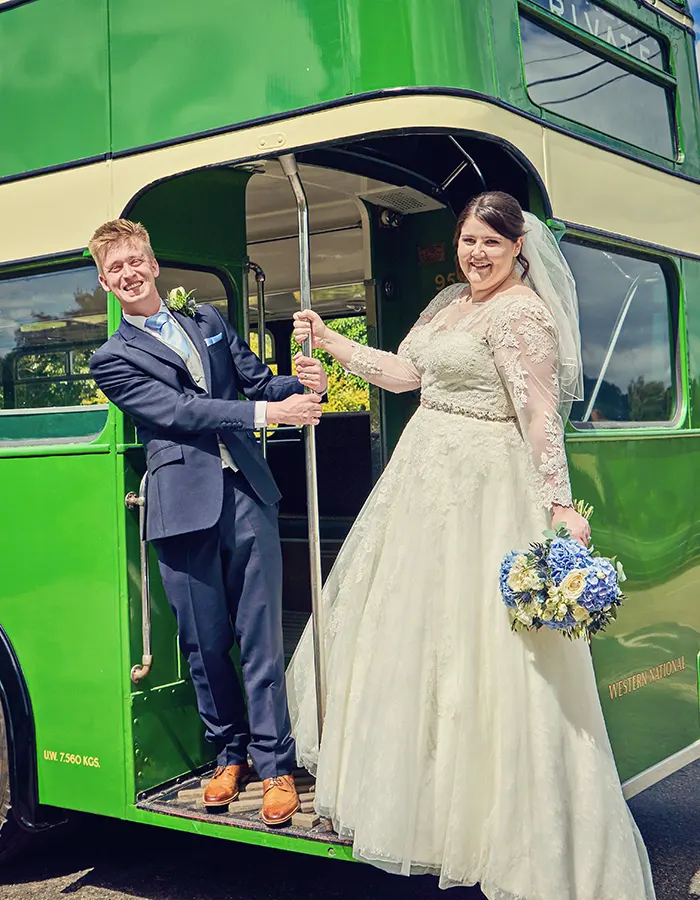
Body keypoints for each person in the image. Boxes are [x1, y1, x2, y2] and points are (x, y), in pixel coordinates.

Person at [286, 193, 655, 898]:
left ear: (519, 247)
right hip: (420, 481)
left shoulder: (521, 313)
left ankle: (500, 832)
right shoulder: (451, 301)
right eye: (467, 239)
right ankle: (421, 807)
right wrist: (332, 342)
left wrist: (556, 507)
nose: (476, 253)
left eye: (491, 241)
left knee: (486, 654)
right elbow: (405, 375)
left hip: (486, 487)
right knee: (413, 639)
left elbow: (541, 415)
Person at [88, 218, 327, 826]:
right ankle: (229, 755)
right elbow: (176, 410)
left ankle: (275, 766)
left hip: (248, 493)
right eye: (116, 269)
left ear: (154, 262)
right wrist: (267, 409)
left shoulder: (210, 322)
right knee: (203, 642)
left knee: (261, 636)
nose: (130, 273)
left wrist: (300, 381)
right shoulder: (110, 359)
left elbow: (255, 380)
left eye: (136, 260)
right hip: (181, 508)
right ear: (104, 281)